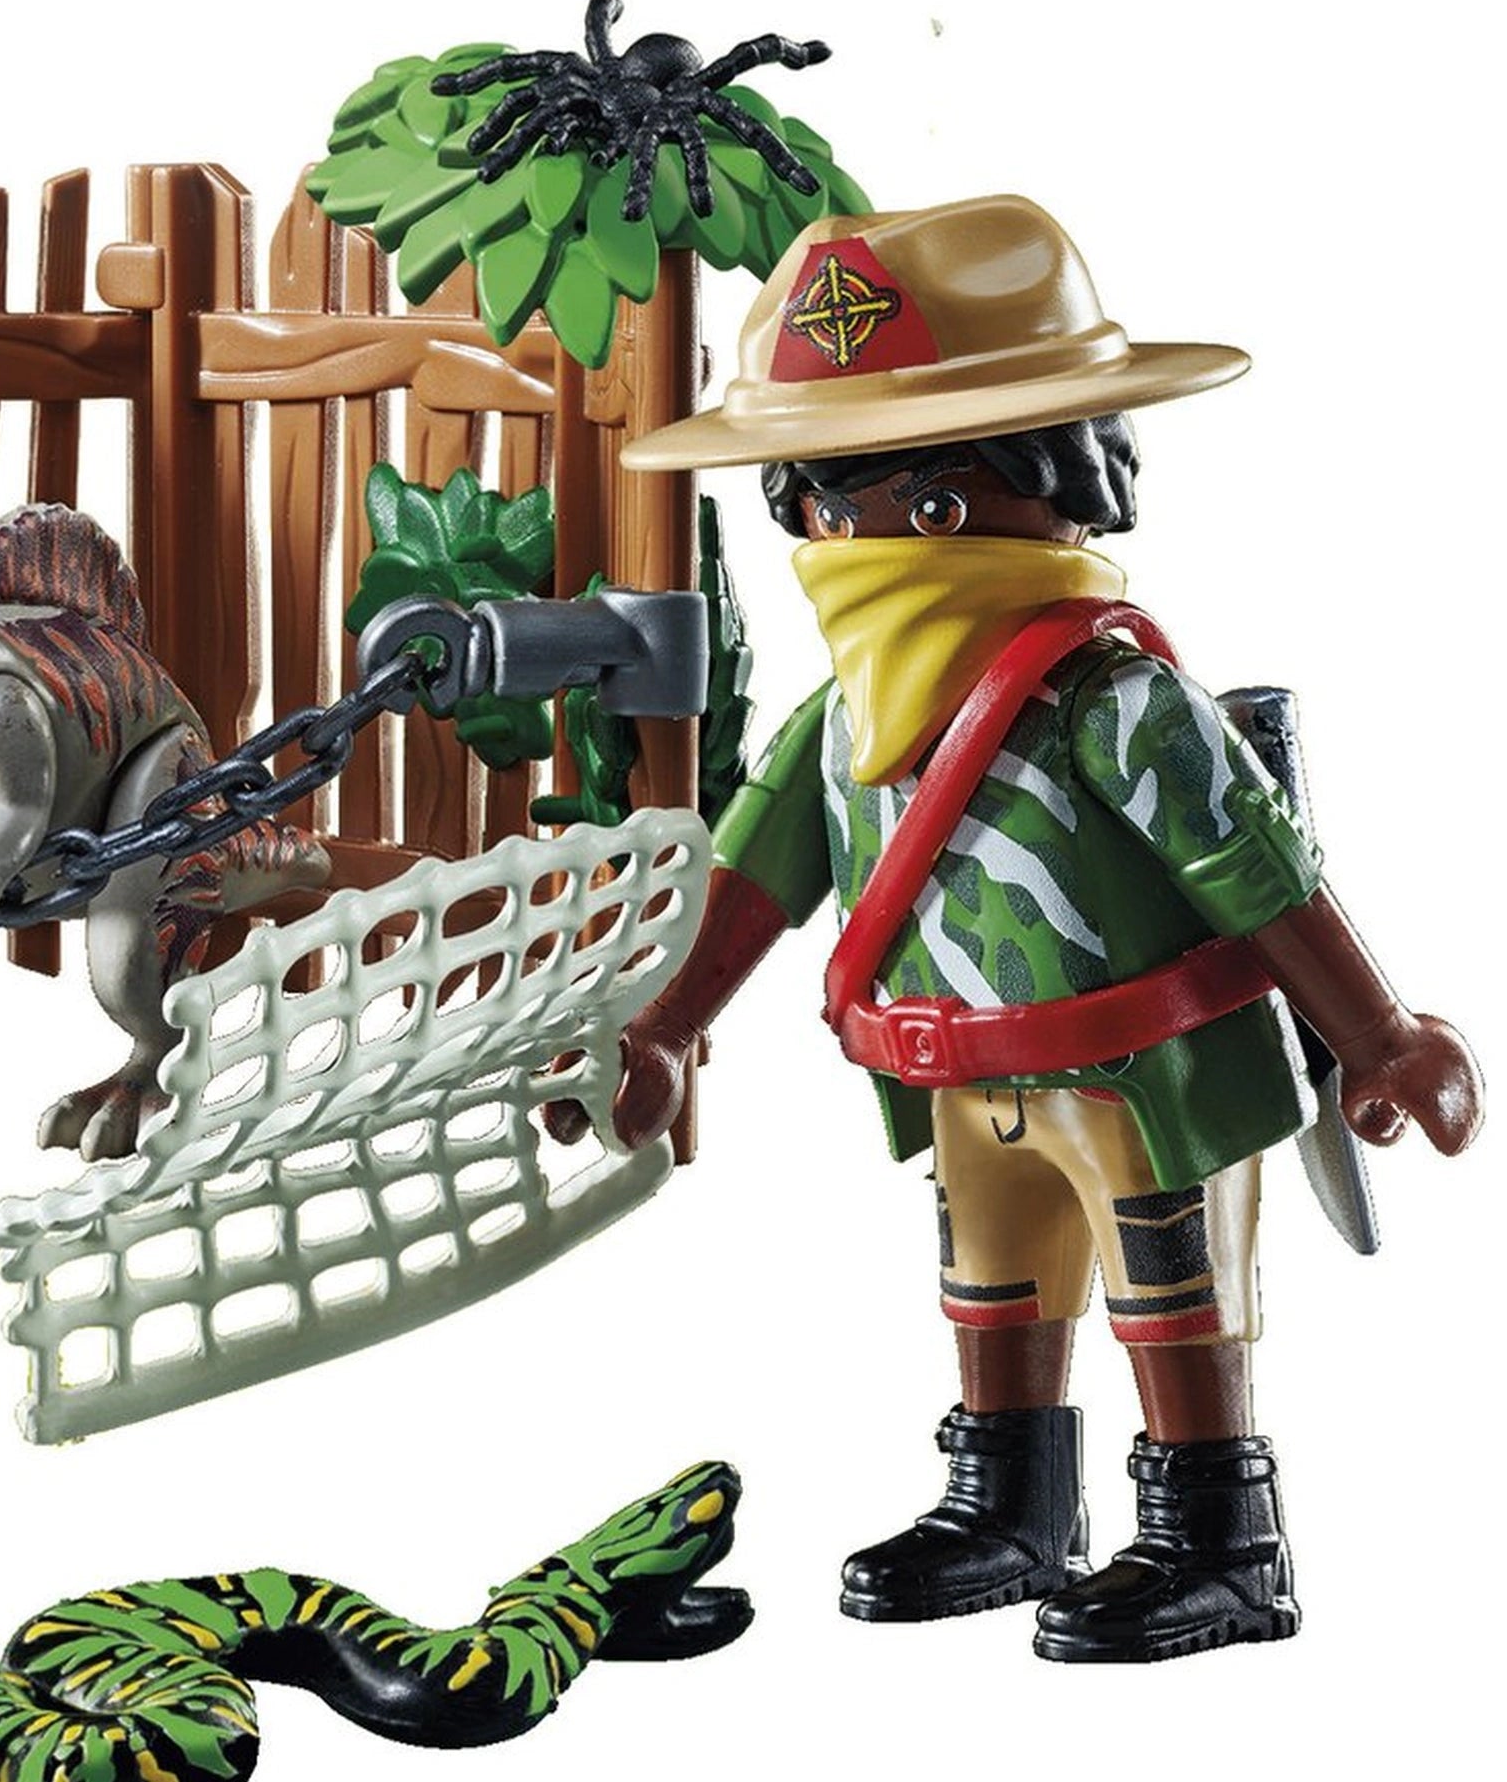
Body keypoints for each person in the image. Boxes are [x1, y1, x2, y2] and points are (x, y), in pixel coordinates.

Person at [614, 194, 1482, 1663]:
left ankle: (1220, 1543)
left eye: (876, 497)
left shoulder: (1114, 698)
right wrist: (666, 1025)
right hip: (962, 1080)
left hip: (1148, 1081)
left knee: (1170, 1294)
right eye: (813, 499)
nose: (834, 534)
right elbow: (756, 880)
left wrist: (1381, 1036)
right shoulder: (846, 721)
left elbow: (1260, 875)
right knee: (992, 1286)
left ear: (1002, 490)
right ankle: (1009, 1512)